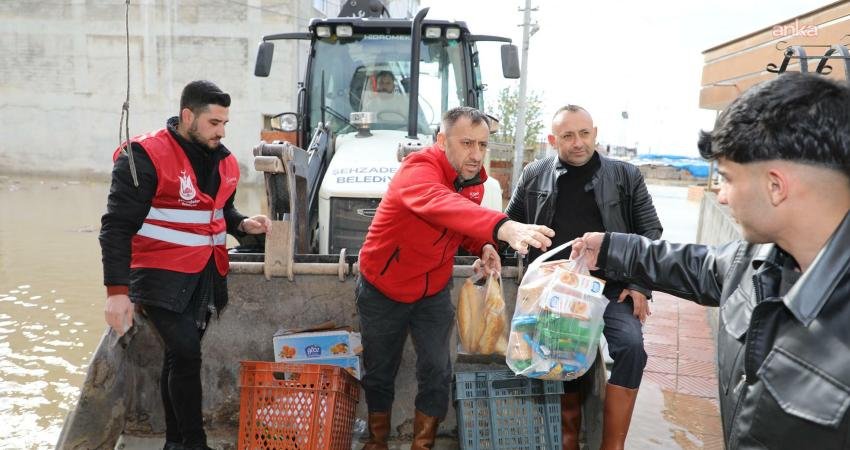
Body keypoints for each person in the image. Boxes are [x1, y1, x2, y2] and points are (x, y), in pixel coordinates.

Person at [570, 73, 850, 450]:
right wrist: (608, 248)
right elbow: (697, 266)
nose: (720, 196)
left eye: (729, 179)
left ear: (776, 185)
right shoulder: (759, 259)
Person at [356, 106, 555, 450]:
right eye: (466, 143)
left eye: (482, 145)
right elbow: (440, 204)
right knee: (379, 370)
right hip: (383, 287)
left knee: (438, 370)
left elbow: (460, 223)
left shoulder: (473, 183)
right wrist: (502, 227)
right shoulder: (418, 170)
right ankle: (376, 441)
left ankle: (423, 444)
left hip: (432, 290)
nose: (476, 155)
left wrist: (484, 245)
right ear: (441, 140)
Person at [99, 80, 270, 450]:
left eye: (225, 122)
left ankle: (175, 443)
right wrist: (116, 292)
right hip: (157, 276)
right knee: (187, 353)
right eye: (214, 123)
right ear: (188, 116)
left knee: (180, 356)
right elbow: (115, 226)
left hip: (205, 278)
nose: (221, 131)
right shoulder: (144, 155)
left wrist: (242, 224)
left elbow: (219, 211)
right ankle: (194, 443)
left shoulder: (224, 160)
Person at [505, 104, 662, 449]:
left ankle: (613, 444)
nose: (578, 143)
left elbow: (650, 232)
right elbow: (509, 224)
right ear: (553, 139)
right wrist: (491, 252)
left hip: (613, 288)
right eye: (568, 136)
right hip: (556, 291)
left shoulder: (626, 176)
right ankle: (569, 440)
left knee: (632, 347)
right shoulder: (534, 173)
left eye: (584, 133)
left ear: (595, 133)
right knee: (562, 354)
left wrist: (640, 285)